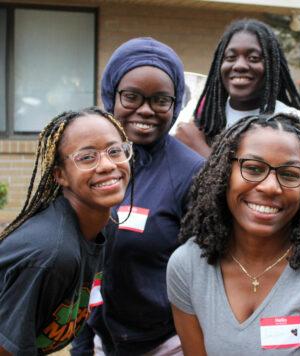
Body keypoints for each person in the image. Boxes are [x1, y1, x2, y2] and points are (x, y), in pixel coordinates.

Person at [167, 113, 300, 355]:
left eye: (289, 174)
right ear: (224, 173)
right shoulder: (188, 265)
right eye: (253, 168)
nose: (271, 187)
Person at [78, 37, 204, 356]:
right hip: (101, 338)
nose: (145, 111)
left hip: (166, 343)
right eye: (132, 97)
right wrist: (82, 341)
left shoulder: (193, 174)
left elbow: (209, 277)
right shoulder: (92, 164)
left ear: (175, 104)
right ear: (112, 97)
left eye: (161, 100)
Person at [0, 107, 132, 355]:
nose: (106, 165)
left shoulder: (105, 224)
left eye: (115, 151)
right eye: (87, 157)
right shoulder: (53, 253)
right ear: (60, 175)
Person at [174, 19, 300, 157]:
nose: (239, 65)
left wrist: (199, 149)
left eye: (253, 58)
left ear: (272, 66)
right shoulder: (200, 113)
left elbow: (265, 178)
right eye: (230, 57)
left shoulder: (293, 121)